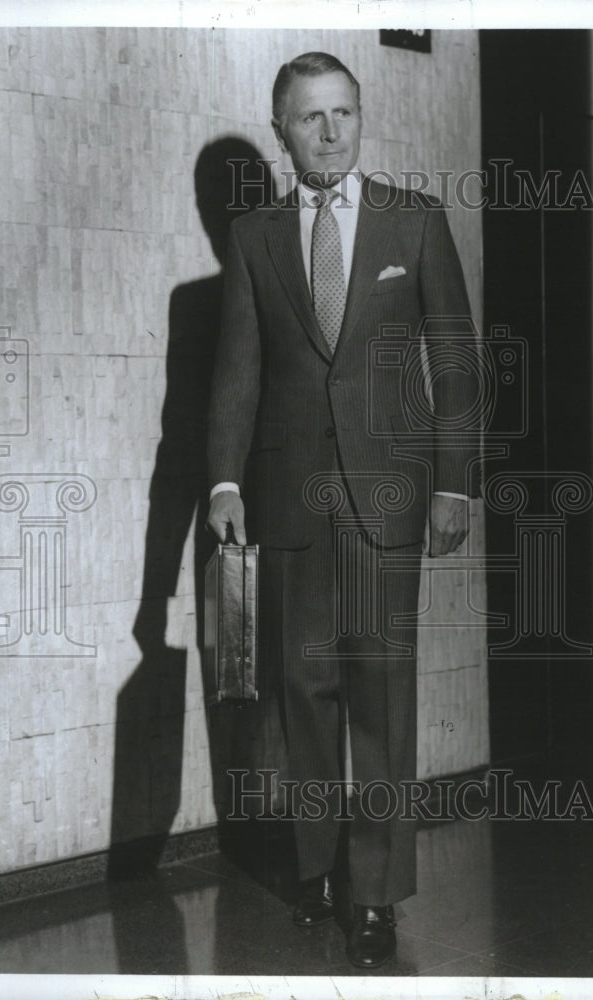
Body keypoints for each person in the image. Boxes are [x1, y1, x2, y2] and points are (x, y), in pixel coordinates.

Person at [206, 51, 479, 968]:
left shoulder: (415, 219)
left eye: (345, 114)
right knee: (304, 698)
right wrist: (223, 483)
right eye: (311, 117)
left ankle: (376, 898)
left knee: (381, 702)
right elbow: (235, 377)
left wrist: (452, 482)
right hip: (286, 508)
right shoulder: (252, 238)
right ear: (281, 128)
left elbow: (454, 363)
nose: (331, 132)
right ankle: (316, 869)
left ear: (360, 119)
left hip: (387, 503)